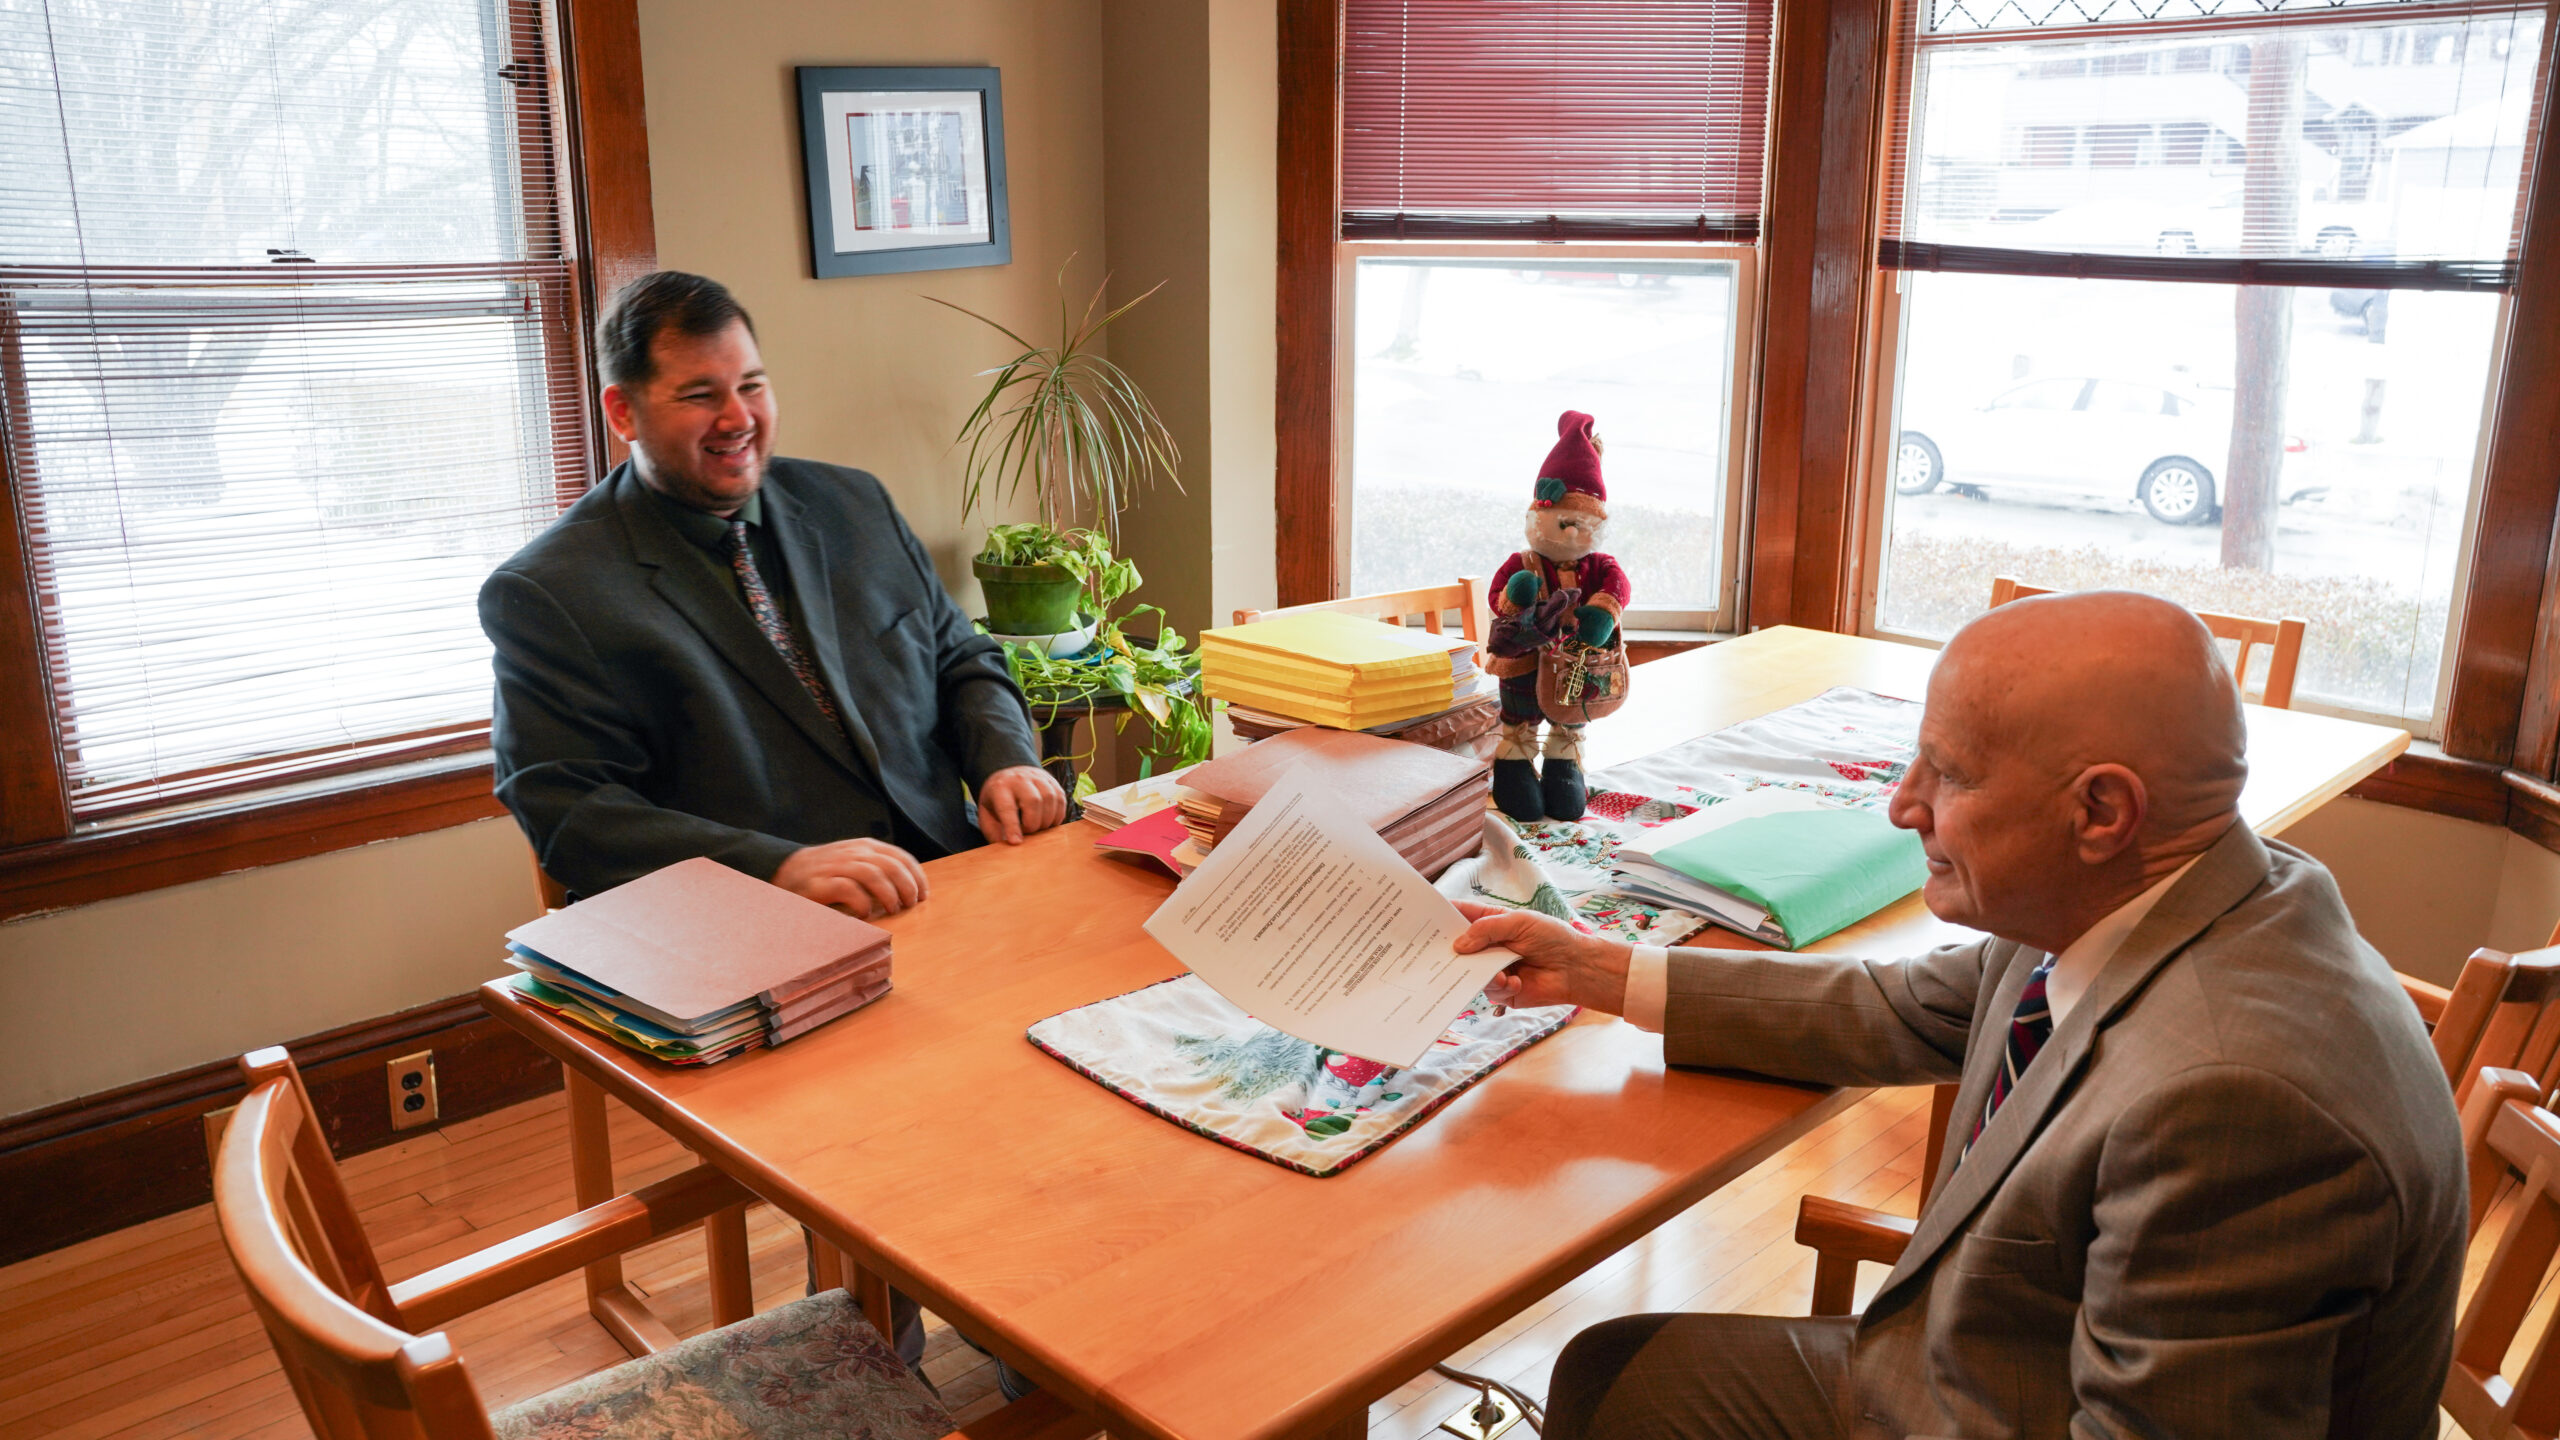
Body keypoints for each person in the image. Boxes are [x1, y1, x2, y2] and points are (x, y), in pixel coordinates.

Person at [1453, 591, 2465, 1440]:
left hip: (1994, 1404)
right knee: (1613, 1373)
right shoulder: (2166, 886)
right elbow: (1906, 1003)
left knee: (1618, 1387)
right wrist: (1599, 971)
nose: (1902, 806)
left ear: (2101, 812)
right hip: (1990, 1365)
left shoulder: (2235, 1105)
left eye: (1949, 774)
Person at [480, 271, 1067, 911]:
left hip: (954, 879)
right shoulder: (550, 591)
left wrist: (1007, 761)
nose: (737, 418)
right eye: (700, 395)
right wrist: (775, 869)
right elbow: (570, 811)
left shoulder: (854, 502)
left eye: (751, 386)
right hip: (757, 926)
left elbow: (960, 658)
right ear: (624, 411)